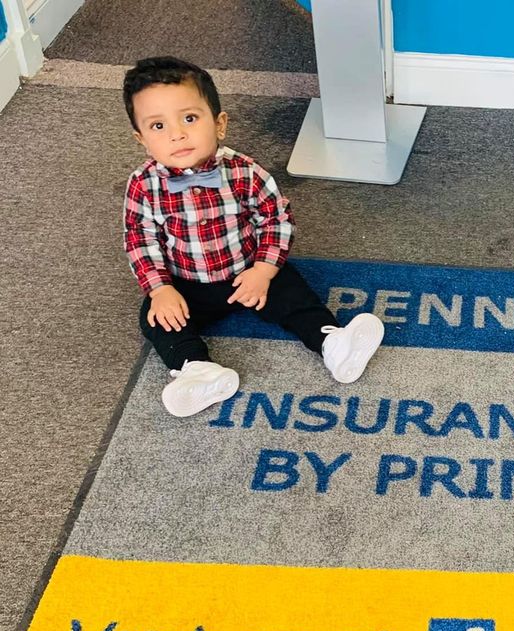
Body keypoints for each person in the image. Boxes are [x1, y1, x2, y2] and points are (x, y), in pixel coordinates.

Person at [122, 57, 384, 417]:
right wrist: (160, 289)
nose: (176, 134)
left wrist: (263, 270)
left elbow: (276, 219)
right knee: (155, 318)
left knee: (292, 291)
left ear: (220, 123)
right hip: (186, 283)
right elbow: (140, 238)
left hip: (248, 270)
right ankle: (196, 368)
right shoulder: (143, 184)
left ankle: (331, 342)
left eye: (189, 118)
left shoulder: (245, 172)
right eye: (157, 125)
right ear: (142, 140)